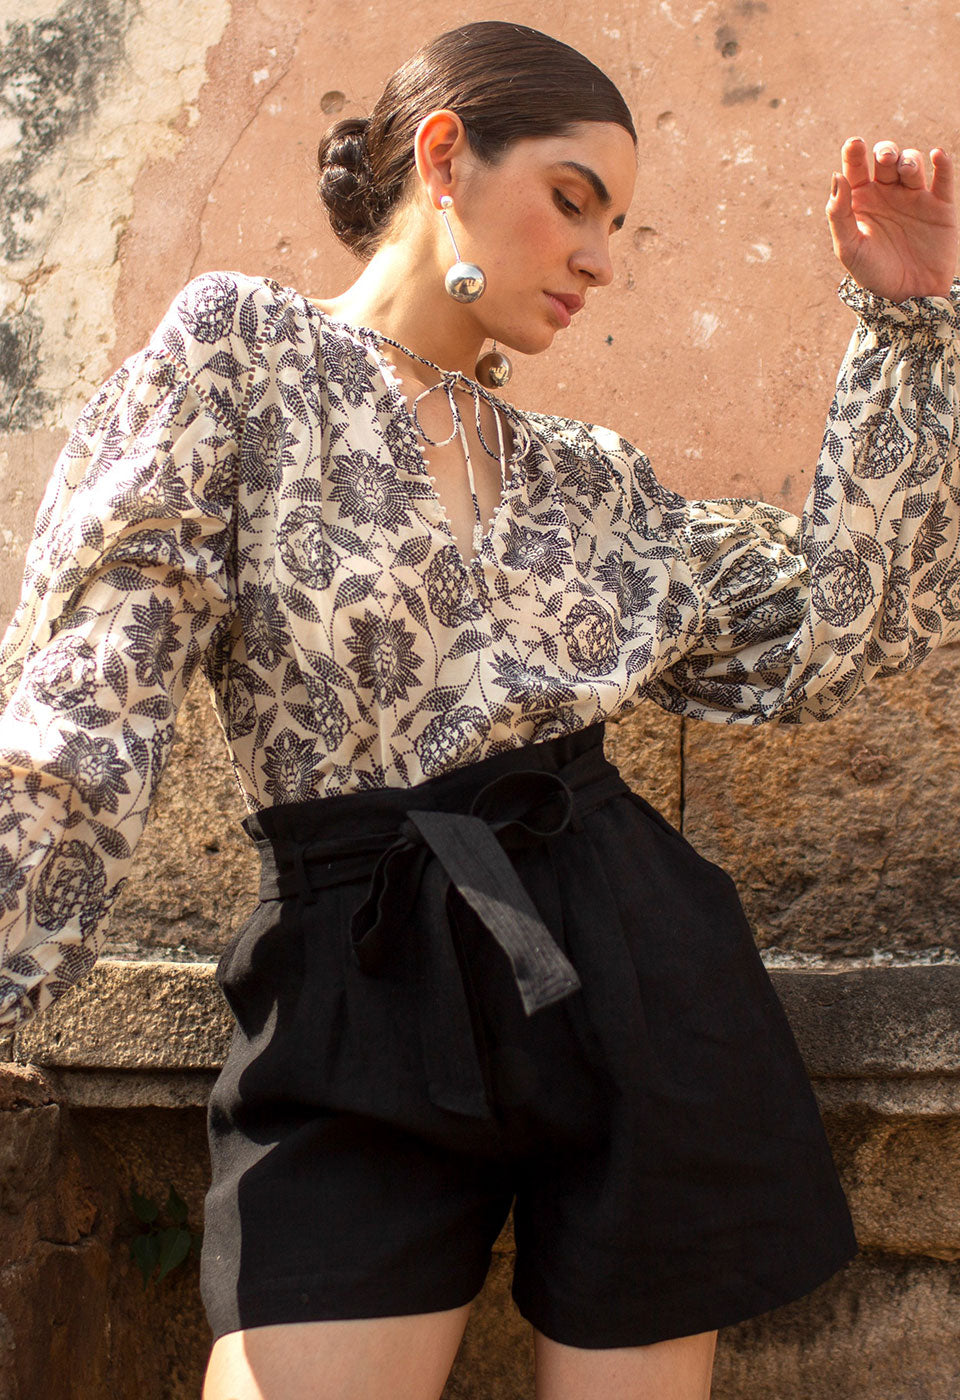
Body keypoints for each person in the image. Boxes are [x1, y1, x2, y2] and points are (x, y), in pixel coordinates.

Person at [0, 18, 957, 1400]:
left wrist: (908, 327)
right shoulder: (244, 356)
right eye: (573, 199)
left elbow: (825, 632)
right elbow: (85, 709)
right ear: (445, 156)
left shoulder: (590, 480)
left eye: (616, 224)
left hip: (633, 969)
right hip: (360, 972)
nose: (600, 258)